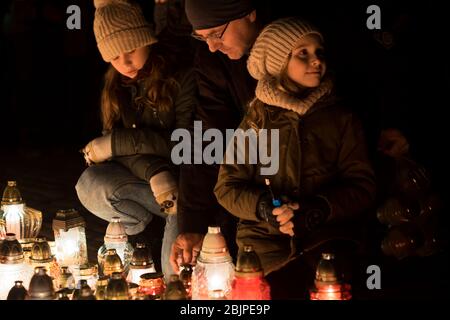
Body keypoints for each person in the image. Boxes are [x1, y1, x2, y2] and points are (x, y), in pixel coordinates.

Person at [214, 17, 376, 298]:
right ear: (278, 63)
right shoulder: (256, 121)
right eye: (303, 53)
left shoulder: (340, 118)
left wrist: (318, 209)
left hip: (327, 240)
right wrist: (265, 208)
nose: (316, 61)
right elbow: (227, 187)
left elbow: (362, 185)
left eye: (319, 52)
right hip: (263, 246)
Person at [75, 0, 197, 280]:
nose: (125, 63)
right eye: (115, 57)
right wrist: (154, 171)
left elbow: (185, 144)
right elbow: (118, 154)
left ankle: (170, 232)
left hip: (185, 187)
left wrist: (116, 143)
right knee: (91, 183)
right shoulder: (116, 86)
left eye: (130, 50)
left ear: (146, 40)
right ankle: (147, 229)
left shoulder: (180, 77)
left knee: (173, 274)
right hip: (154, 184)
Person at [169, 0, 265, 273]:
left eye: (216, 34)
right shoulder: (213, 58)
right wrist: (194, 226)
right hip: (242, 181)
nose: (211, 45)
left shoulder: (298, 52)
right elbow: (208, 135)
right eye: (201, 37)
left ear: (249, 12)